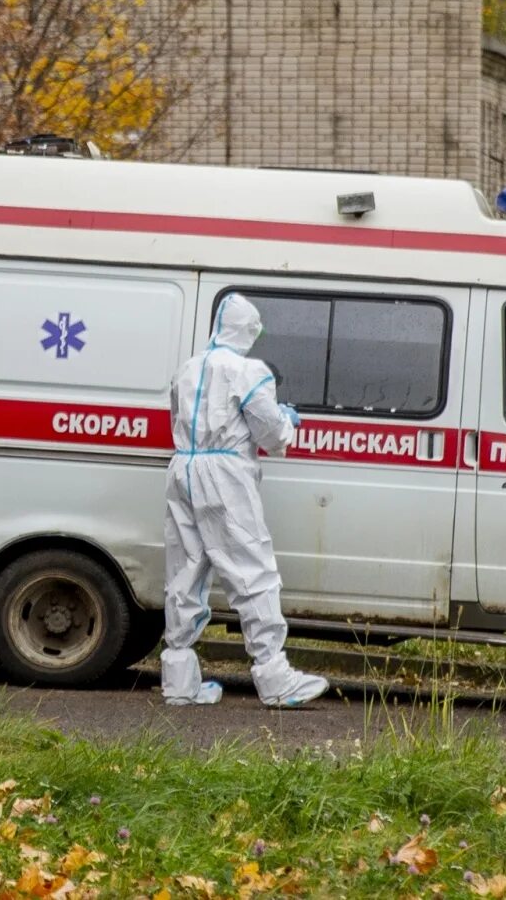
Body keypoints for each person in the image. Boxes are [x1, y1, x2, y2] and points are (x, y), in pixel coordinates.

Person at [161, 294, 330, 708]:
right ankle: (275, 677)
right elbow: (270, 433)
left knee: (186, 572)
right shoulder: (248, 370)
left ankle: (178, 681)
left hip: (183, 467)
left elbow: (177, 420)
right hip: (225, 476)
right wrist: (286, 422)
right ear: (249, 330)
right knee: (253, 570)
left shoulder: (188, 368)